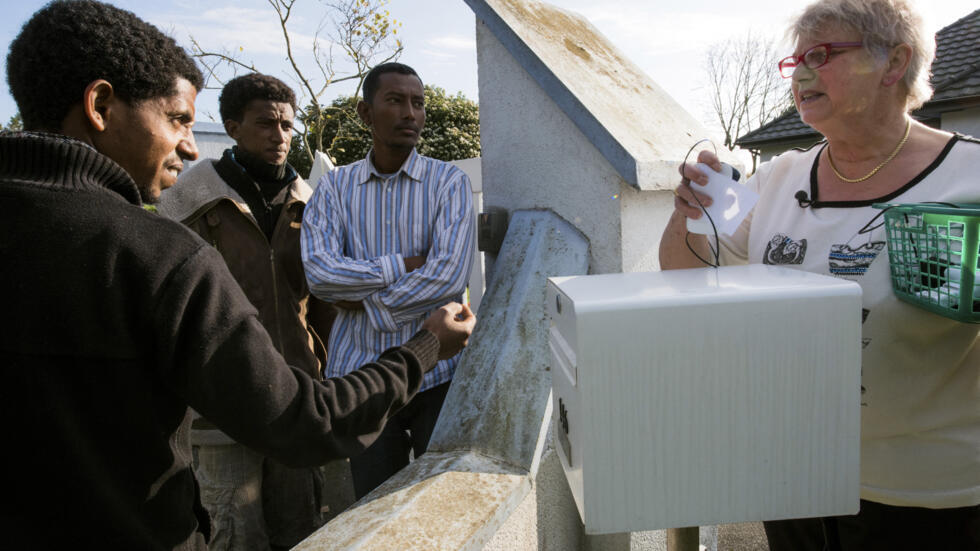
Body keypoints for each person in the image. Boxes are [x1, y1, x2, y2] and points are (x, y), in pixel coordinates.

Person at [0, 2, 475, 549]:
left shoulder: (305, 196)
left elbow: (418, 278)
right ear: (101, 104)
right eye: (178, 119)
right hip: (230, 425)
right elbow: (309, 375)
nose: (188, 144)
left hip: (306, 379)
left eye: (287, 124)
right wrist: (422, 340)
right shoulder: (160, 249)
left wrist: (359, 294)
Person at [660, 0, 979, 549]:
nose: (801, 73)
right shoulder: (779, 177)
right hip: (793, 479)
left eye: (823, 54)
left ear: (894, 63)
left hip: (930, 496)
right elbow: (685, 272)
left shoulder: (968, 176)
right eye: (797, 60)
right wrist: (688, 212)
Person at [157, 73, 335, 551]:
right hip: (220, 402)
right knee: (234, 533)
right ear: (232, 127)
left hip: (297, 393)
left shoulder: (310, 202)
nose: (280, 137)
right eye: (265, 124)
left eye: (287, 126)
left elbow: (323, 297)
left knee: (301, 529)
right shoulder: (188, 200)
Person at [302, 62, 476, 498]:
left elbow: (448, 273)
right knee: (374, 502)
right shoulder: (335, 188)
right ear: (365, 112)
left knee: (443, 499)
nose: (410, 114)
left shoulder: (447, 182)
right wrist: (401, 264)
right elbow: (320, 274)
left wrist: (368, 303)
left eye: (417, 103)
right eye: (395, 101)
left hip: (438, 370)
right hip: (362, 377)